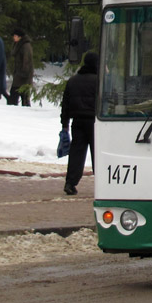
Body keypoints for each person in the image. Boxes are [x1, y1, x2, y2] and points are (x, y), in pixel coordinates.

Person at [61, 51, 98, 195]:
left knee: (76, 153)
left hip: (77, 122)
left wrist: (64, 124)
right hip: (96, 123)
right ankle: (102, 184)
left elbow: (65, 105)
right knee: (98, 154)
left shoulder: (73, 81)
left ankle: (70, 182)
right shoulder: (99, 81)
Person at [8, 27, 34, 107]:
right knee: (19, 94)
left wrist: (24, 73)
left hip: (23, 75)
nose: (13, 37)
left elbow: (27, 60)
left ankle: (18, 109)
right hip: (19, 73)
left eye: (15, 36)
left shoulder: (25, 46)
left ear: (20, 37)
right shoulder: (18, 44)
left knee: (20, 94)